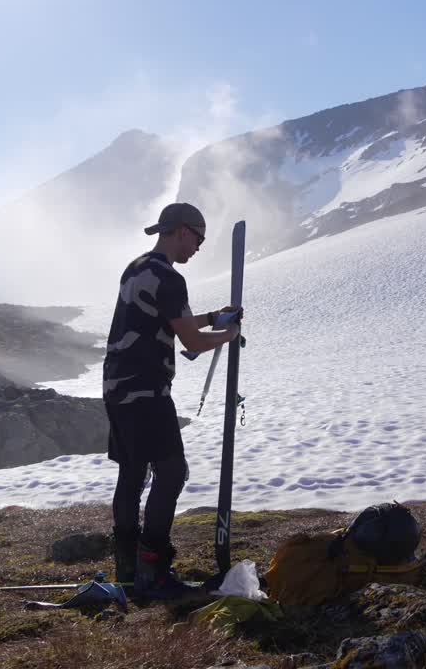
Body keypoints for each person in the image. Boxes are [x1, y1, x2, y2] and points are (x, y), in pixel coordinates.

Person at [103, 202, 242, 600]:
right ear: (182, 230)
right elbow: (192, 341)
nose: (197, 248)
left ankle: (128, 572)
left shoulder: (138, 268)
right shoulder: (169, 277)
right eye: (197, 239)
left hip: (117, 386)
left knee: (131, 473)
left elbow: (170, 320)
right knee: (171, 470)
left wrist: (214, 316)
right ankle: (155, 570)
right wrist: (227, 335)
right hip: (146, 389)